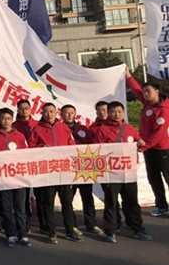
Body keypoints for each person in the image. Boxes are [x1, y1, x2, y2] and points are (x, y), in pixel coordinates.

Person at [95, 101, 153, 243]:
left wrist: (141, 143)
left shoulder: (129, 128)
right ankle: (111, 231)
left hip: (128, 171)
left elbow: (139, 142)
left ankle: (137, 228)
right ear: (108, 113)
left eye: (120, 111)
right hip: (112, 172)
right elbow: (98, 151)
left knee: (131, 201)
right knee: (111, 203)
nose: (117, 114)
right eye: (113, 111)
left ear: (123, 113)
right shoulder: (102, 130)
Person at [29, 103, 81, 244]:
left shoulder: (63, 128)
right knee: (48, 203)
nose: (49, 114)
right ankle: (51, 233)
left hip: (64, 172)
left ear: (56, 112)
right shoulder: (37, 129)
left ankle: (70, 231)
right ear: (42, 113)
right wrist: (41, 147)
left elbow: (72, 147)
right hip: (48, 172)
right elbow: (31, 148)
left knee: (67, 203)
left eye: (51, 111)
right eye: (46, 111)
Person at [126, 68, 169, 216]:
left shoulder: (164, 109)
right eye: (144, 92)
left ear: (157, 91)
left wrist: (145, 146)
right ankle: (162, 206)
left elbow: (159, 133)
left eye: (148, 91)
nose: (145, 94)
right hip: (149, 150)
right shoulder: (147, 104)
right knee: (154, 179)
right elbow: (137, 90)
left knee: (167, 177)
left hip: (163, 149)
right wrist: (128, 76)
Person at [0, 108, 31, 247]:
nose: (6, 121)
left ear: (12, 119)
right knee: (6, 207)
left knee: (20, 208)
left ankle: (23, 234)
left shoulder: (20, 136)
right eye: (3, 118)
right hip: (2, 179)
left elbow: (27, 155)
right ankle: (11, 234)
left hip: (19, 178)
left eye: (9, 118)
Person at [61, 104, 103, 236]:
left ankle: (91, 224)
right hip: (68, 168)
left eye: (71, 112)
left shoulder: (83, 128)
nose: (69, 115)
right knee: (68, 199)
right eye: (66, 112)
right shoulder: (58, 129)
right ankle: (71, 224)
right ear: (61, 114)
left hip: (84, 167)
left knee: (87, 196)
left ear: (75, 114)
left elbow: (92, 145)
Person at [13, 99, 39, 229]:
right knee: (23, 195)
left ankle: (44, 224)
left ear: (31, 109)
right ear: (17, 110)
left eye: (26, 108)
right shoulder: (13, 126)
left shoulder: (37, 124)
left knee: (40, 194)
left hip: (37, 163)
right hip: (21, 164)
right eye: (21, 108)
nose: (24, 111)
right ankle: (25, 222)